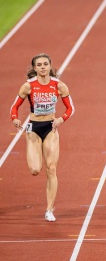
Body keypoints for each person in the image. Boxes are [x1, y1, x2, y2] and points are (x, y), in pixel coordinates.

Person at [10, 53, 75, 222]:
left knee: (51, 168)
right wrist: (15, 119)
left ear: (50, 65)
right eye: (39, 65)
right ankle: (48, 207)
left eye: (45, 64)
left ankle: (49, 209)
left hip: (50, 128)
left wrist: (61, 119)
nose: (43, 67)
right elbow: (14, 107)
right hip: (33, 128)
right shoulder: (28, 86)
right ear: (34, 68)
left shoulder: (59, 86)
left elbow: (70, 109)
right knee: (35, 170)